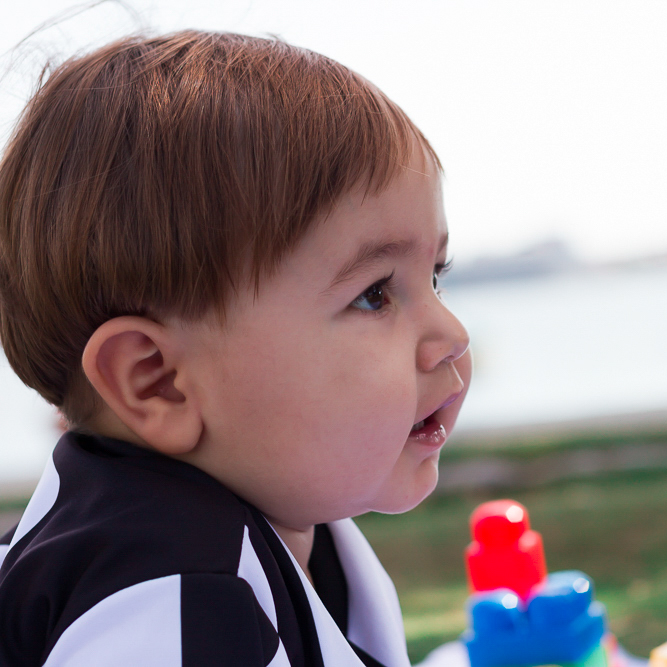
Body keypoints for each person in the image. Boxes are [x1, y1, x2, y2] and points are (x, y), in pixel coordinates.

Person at [0, 30, 471, 667]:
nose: (452, 335)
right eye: (375, 294)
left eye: (435, 276)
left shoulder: (279, 522)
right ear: (157, 381)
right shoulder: (169, 601)